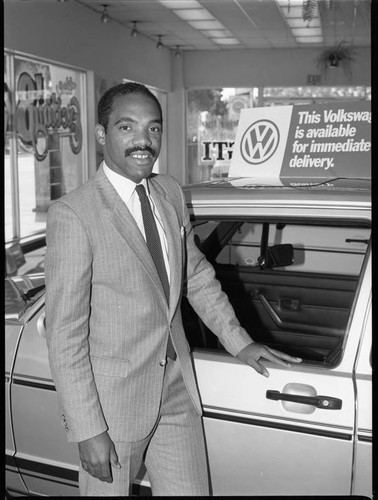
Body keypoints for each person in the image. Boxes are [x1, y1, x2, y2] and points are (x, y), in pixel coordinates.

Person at [45, 81, 301, 496]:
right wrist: (87, 428)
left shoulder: (168, 192)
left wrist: (240, 342)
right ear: (100, 135)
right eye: (127, 128)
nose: (143, 141)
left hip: (176, 387)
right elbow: (65, 334)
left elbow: (195, 275)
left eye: (154, 128)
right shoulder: (74, 214)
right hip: (112, 405)